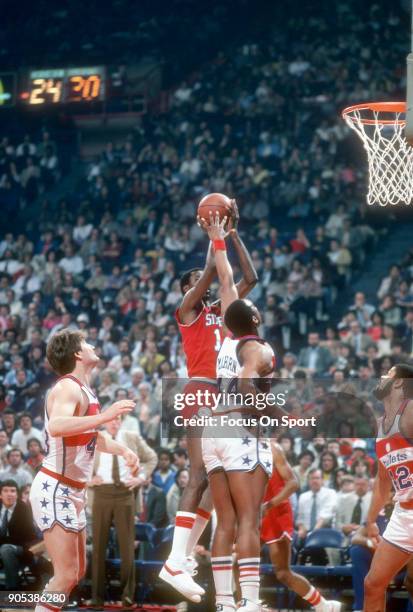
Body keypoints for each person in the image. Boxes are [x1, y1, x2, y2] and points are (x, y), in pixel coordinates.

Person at [160, 201, 258, 603]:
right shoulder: (187, 311)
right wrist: (213, 236)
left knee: (209, 488)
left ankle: (181, 559)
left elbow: (249, 276)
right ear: (187, 289)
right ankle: (174, 560)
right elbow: (210, 279)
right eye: (196, 281)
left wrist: (231, 234)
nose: (205, 282)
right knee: (198, 474)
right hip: (199, 389)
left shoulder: (224, 312)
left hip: (222, 397)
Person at [29, 329, 139, 612]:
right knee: (65, 575)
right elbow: (57, 425)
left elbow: (92, 434)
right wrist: (107, 415)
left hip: (72, 490)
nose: (93, 345)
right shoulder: (68, 387)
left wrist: (123, 450)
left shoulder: (84, 389)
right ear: (78, 353)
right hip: (56, 487)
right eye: (87, 343)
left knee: (74, 574)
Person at [200, 213, 274, 612]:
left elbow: (228, 280)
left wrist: (222, 239)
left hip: (213, 428)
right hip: (240, 426)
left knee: (224, 522)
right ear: (256, 319)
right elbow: (248, 387)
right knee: (248, 522)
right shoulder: (257, 348)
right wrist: (266, 413)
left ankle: (225, 603)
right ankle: (250, 602)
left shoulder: (227, 337)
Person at [261, 443, 341, 612]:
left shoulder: (272, 448)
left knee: (283, 573)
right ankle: (246, 601)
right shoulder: (233, 447)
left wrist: (268, 505)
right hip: (251, 511)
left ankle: (323, 604)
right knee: (238, 557)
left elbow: (293, 483)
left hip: (275, 512)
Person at [89, 414, 157, 609]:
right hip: (101, 492)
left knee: (127, 548)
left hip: (126, 493)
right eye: (112, 419)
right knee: (98, 548)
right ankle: (96, 599)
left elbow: (151, 458)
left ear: (122, 422)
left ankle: (128, 598)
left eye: (118, 419)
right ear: (104, 421)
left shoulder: (132, 437)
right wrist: (88, 480)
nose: (115, 422)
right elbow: (77, 462)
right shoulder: (94, 438)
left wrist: (141, 477)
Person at [364, 364, 413, 612]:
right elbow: (383, 482)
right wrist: (370, 520)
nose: (381, 376)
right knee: (373, 584)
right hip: (403, 513)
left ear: (397, 383)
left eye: (388, 373)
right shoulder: (382, 427)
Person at [0, 478, 38, 589]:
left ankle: (12, 590)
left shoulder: (24, 509)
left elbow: (29, 536)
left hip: (22, 548)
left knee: (6, 549)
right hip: (3, 545)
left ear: (17, 494)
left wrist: (5, 542)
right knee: (5, 548)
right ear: (0, 494)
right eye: (6, 491)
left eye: (13, 491)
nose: (9, 494)